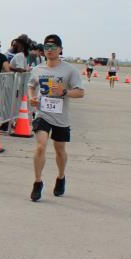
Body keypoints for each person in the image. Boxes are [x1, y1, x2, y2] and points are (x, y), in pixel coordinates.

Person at [27, 34, 84, 202]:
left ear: (60, 49)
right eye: (46, 47)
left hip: (61, 116)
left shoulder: (70, 70)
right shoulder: (38, 69)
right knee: (40, 146)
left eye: (53, 47)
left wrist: (65, 92)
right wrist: (31, 97)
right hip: (42, 114)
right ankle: (37, 182)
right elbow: (31, 85)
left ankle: (61, 177)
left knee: (60, 149)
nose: (49, 50)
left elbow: (80, 92)